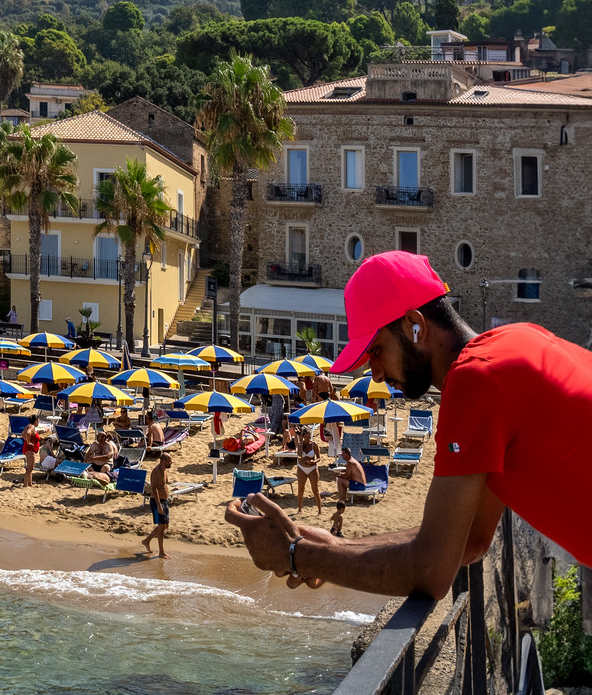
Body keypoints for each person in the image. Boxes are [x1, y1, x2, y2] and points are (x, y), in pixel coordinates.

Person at [227, 251, 592, 596]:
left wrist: (295, 555)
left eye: (377, 351)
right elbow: (470, 540)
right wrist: (335, 545)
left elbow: (431, 571)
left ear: (415, 326)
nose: (378, 374)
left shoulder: (475, 381)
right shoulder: (517, 341)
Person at [141, 451, 174, 558]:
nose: (171, 462)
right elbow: (154, 489)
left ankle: (146, 540)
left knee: (165, 525)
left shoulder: (164, 470)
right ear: (163, 461)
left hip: (164, 501)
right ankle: (161, 552)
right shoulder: (156, 471)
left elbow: (164, 485)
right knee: (161, 527)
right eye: (170, 460)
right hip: (157, 502)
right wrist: (159, 505)